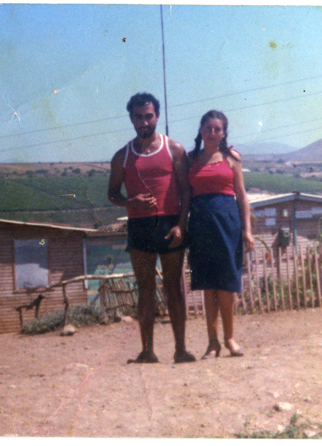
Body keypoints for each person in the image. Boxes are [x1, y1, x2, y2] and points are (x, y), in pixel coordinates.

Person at [108, 92, 195, 364]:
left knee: (173, 287)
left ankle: (180, 350)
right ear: (131, 119)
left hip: (170, 223)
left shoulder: (174, 150)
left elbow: (186, 191)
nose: (144, 121)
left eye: (148, 116)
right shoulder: (122, 156)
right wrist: (130, 201)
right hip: (140, 225)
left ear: (157, 116)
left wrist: (182, 225)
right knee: (145, 288)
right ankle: (147, 350)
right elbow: (112, 193)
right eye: (138, 116)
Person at [187, 110, 254, 359]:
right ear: (201, 130)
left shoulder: (231, 158)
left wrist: (247, 230)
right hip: (201, 227)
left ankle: (229, 339)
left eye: (217, 129)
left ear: (224, 133)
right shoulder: (190, 159)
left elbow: (242, 196)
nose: (212, 132)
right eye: (208, 128)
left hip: (228, 225)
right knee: (208, 286)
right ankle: (212, 342)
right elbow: (184, 194)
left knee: (226, 285)